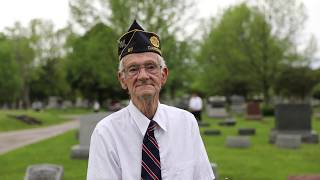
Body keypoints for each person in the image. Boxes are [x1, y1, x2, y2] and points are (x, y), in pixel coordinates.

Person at [87, 20, 215, 180]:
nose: (143, 76)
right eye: (133, 69)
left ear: (163, 75)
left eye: (151, 67)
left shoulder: (186, 123)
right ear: (122, 79)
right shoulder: (106, 133)